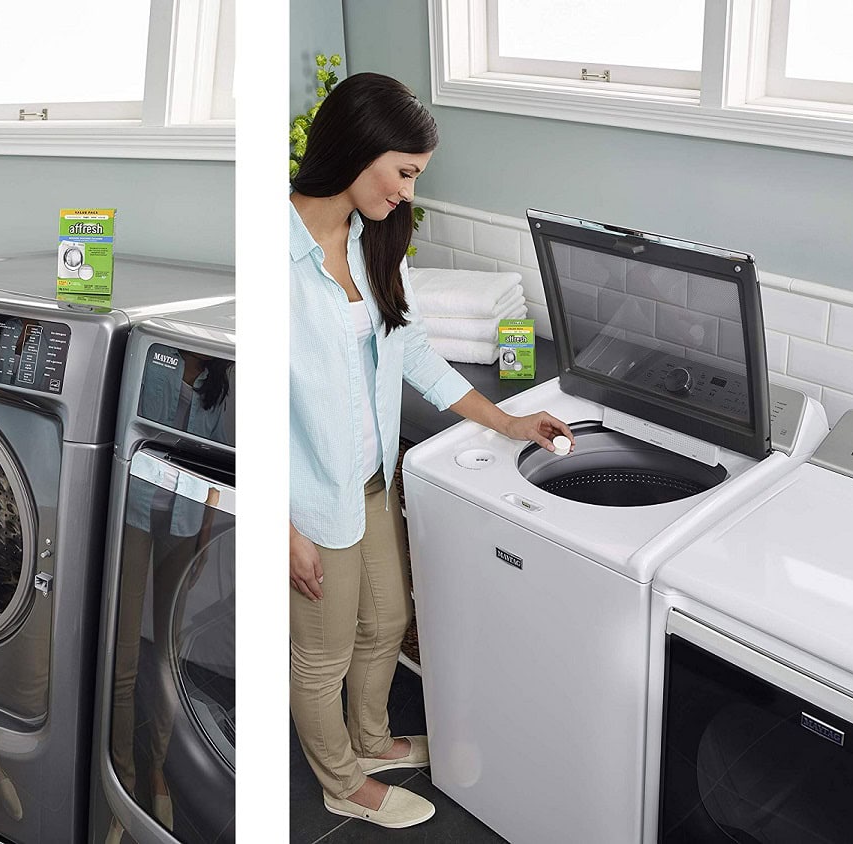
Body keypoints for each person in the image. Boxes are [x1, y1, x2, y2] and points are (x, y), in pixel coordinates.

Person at [289, 72, 576, 830]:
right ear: (355, 150)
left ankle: (372, 742)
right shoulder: (273, 254)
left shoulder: (370, 238)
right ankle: (340, 781)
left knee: (385, 620)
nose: (409, 192)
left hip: (372, 478)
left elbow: (412, 351)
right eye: (405, 173)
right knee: (319, 657)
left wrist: (504, 420)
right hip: (309, 498)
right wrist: (280, 526)